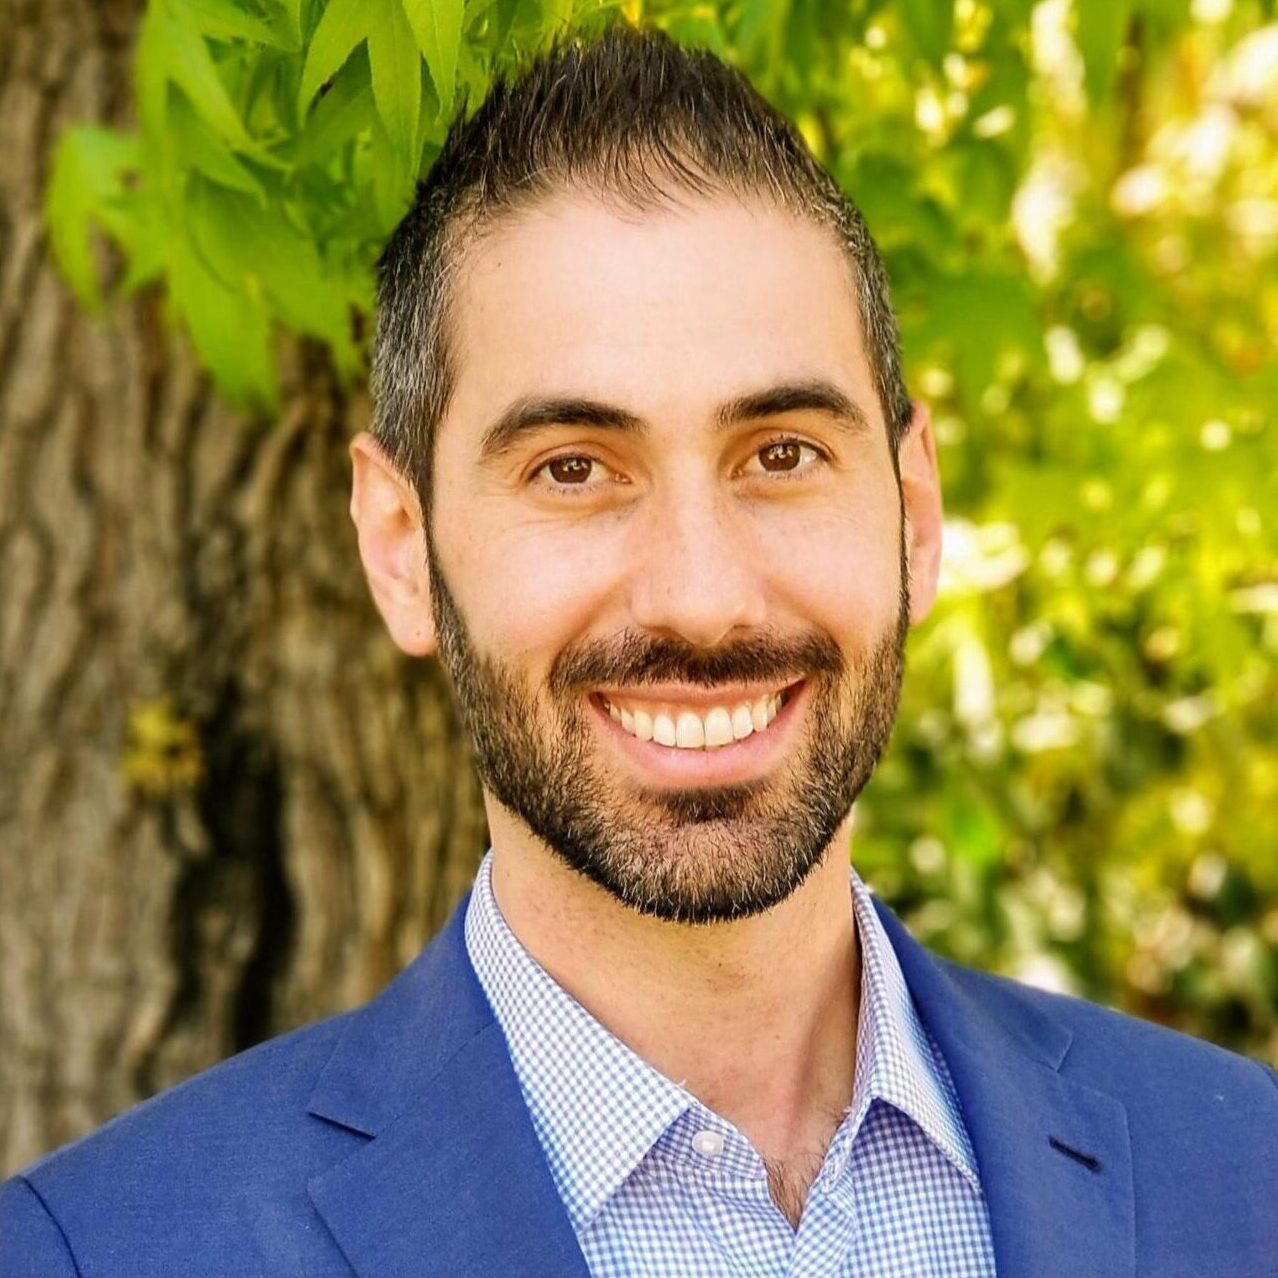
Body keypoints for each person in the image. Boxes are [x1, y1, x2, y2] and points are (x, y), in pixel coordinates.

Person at [2, 22, 1275, 1278]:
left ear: (915, 510)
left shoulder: (1245, 1181)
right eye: (573, 469)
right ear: (401, 547)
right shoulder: (103, 1252)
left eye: (781, 455)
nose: (704, 597)